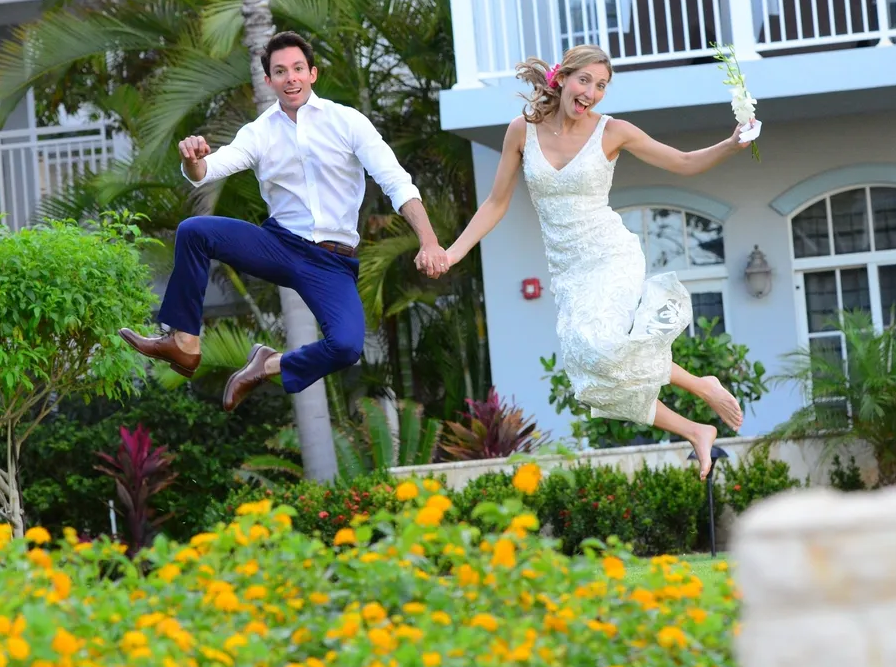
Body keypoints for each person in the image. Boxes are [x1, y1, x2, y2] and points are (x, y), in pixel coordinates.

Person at [440, 45, 753, 478]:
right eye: (584, 80)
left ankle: (703, 387)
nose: (591, 92)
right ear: (563, 79)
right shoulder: (522, 131)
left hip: (610, 254)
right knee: (594, 376)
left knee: (600, 345)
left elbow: (681, 162)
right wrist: (453, 252)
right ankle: (697, 430)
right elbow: (495, 204)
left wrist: (732, 144)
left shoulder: (613, 132)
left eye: (601, 85)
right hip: (568, 271)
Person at [119, 31, 446, 412]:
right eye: (280, 71)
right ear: (269, 80)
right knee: (195, 231)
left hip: (331, 260)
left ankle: (268, 363)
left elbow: (396, 182)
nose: (290, 77)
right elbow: (207, 170)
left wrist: (429, 241)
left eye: (297, 69)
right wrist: (193, 158)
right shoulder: (260, 132)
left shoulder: (348, 122)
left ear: (312, 74)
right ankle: (184, 342)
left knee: (346, 346)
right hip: (280, 246)